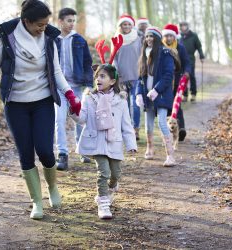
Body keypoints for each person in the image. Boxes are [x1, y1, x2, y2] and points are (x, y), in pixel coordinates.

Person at [0, 0, 81, 220]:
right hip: (16, 105)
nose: (43, 28)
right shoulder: (7, 38)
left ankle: (53, 187)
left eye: (46, 24)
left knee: (45, 150)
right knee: (26, 154)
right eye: (39, 25)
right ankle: (36, 202)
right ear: (26, 21)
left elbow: (56, 72)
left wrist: (70, 95)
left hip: (43, 102)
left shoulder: (49, 39)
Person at [70, 64, 137, 219]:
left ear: (112, 81)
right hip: (96, 142)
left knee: (116, 174)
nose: (98, 79)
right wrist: (74, 110)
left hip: (114, 142)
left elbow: (126, 125)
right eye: (97, 76)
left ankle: (111, 188)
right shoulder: (89, 98)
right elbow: (82, 118)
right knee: (103, 172)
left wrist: (131, 144)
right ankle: (103, 203)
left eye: (102, 76)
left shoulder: (121, 101)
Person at [54, 7, 94, 171]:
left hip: (76, 86)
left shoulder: (79, 40)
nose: (71, 24)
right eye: (69, 20)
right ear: (60, 21)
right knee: (59, 119)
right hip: (58, 88)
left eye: (73, 21)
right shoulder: (52, 40)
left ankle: (82, 149)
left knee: (80, 119)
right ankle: (62, 154)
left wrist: (90, 85)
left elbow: (87, 63)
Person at [136, 27, 177, 167]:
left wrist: (156, 90)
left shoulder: (165, 53)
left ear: (157, 38)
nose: (148, 39)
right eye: (147, 37)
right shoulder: (143, 54)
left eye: (151, 36)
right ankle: (150, 148)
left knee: (161, 122)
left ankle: (170, 155)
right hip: (147, 97)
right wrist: (138, 94)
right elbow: (140, 77)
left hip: (161, 96)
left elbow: (168, 76)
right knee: (148, 125)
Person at [112, 14, 143, 140]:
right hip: (122, 77)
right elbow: (114, 58)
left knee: (135, 105)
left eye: (129, 24)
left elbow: (142, 56)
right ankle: (127, 129)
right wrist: (116, 74)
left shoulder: (138, 38)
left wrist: (142, 72)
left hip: (136, 75)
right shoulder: (116, 38)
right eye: (124, 24)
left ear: (132, 25)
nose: (126, 26)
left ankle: (136, 129)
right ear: (120, 26)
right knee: (124, 105)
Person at [162, 23, 191, 141]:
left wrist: (187, 72)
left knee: (176, 104)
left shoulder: (180, 47)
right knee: (167, 106)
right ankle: (168, 130)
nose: (169, 38)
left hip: (177, 80)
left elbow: (187, 62)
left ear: (174, 37)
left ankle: (181, 129)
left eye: (171, 36)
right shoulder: (160, 47)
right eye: (167, 36)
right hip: (164, 81)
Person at [179, 21, 205, 102]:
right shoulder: (179, 37)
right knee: (182, 77)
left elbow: (199, 47)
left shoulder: (194, 36)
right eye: (182, 26)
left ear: (187, 26)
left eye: (185, 25)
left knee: (191, 76)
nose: (183, 27)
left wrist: (201, 56)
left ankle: (193, 94)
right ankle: (185, 94)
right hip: (180, 59)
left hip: (190, 59)